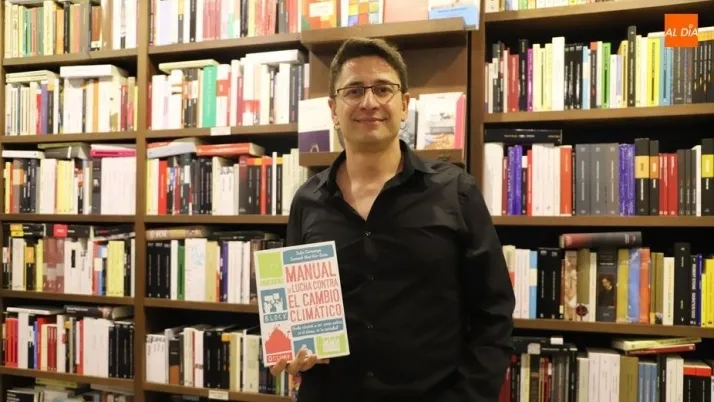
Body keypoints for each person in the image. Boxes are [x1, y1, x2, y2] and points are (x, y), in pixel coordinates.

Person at [270, 37, 516, 402]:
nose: (369, 102)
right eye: (354, 90)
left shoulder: (456, 192)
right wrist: (291, 349)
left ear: (404, 105)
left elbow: (493, 312)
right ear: (333, 109)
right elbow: (295, 314)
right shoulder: (308, 200)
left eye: (383, 89)